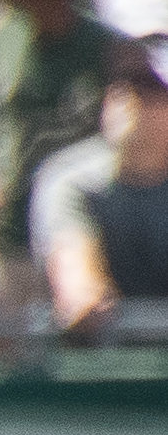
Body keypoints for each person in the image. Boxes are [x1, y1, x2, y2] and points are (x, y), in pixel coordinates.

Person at [33, 36, 168, 330]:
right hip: (103, 365)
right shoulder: (70, 180)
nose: (128, 96)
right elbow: (78, 289)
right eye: (120, 82)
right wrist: (84, 297)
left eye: (148, 85)